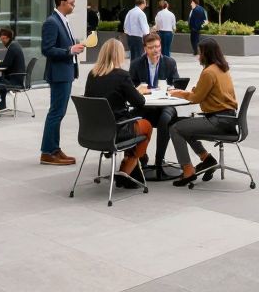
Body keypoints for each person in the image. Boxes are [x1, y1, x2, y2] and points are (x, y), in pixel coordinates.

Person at [168, 38, 239, 187]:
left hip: (218, 121)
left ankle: (188, 171)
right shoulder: (221, 68)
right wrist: (195, 91)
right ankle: (206, 159)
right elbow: (206, 92)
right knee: (180, 124)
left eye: (200, 53)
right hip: (227, 119)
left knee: (175, 128)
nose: (198, 56)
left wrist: (177, 93)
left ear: (206, 54)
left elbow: (195, 98)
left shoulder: (208, 72)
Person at [83, 38, 154, 187]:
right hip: (116, 131)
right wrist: (136, 91)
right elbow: (139, 102)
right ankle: (127, 170)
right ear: (119, 55)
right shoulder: (121, 75)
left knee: (132, 121)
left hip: (92, 131)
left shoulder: (92, 74)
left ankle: (131, 167)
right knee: (146, 125)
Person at [40, 0, 84, 166]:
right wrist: (69, 50)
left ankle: (54, 149)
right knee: (56, 113)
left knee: (59, 112)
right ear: (62, 2)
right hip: (58, 74)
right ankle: (48, 152)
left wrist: (74, 47)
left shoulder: (63, 20)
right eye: (72, 2)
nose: (74, 5)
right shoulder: (51, 22)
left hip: (66, 72)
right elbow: (47, 49)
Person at [129, 32, 181, 179]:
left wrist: (171, 88)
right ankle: (140, 157)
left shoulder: (170, 62)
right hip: (145, 106)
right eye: (151, 47)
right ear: (145, 48)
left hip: (166, 106)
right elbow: (130, 86)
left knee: (165, 120)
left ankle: (159, 162)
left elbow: (176, 84)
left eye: (158, 46)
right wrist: (139, 89)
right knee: (133, 119)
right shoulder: (136, 64)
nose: (156, 50)